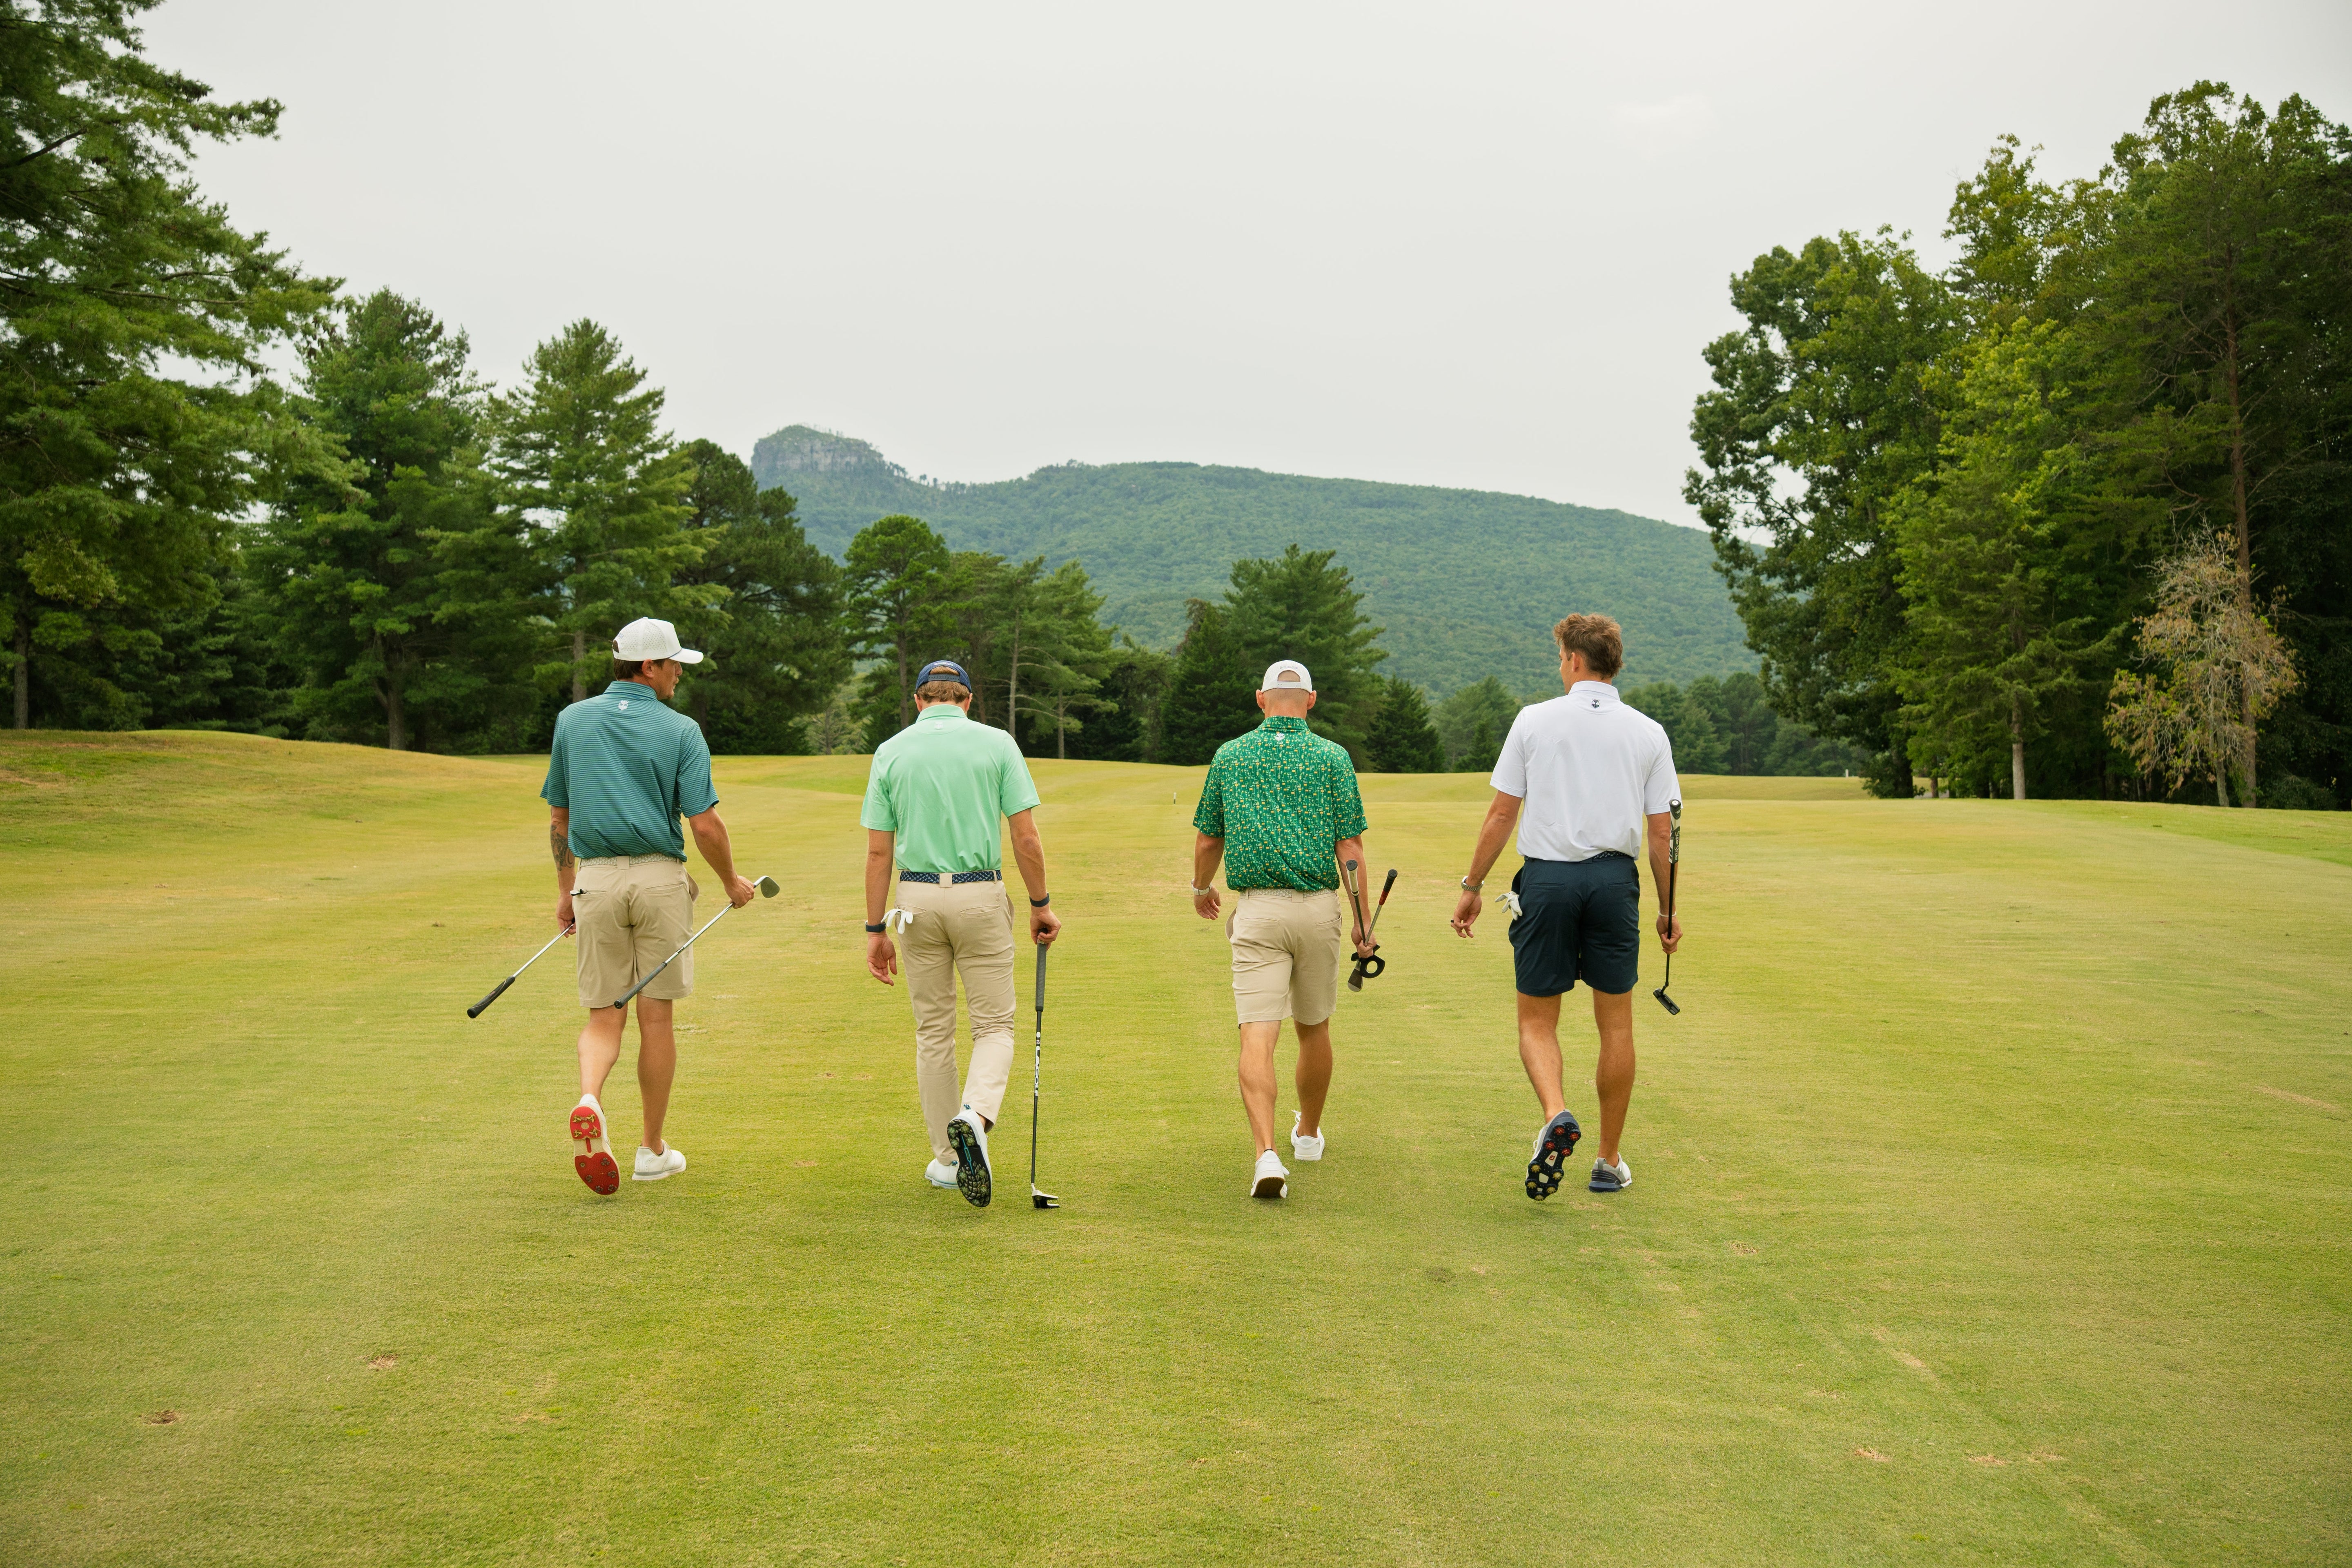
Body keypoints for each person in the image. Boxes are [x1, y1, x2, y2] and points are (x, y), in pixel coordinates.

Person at [1448, 614, 1682, 1198]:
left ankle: (1556, 1112)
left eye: (1560, 658)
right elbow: (1662, 834)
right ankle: (1607, 1160)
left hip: (1547, 881)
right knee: (1617, 1024)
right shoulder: (1649, 732)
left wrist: (1473, 883)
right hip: (1614, 882)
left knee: (1536, 1019)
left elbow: (1503, 813)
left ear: (1574, 661)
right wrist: (1668, 908)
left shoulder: (1534, 720)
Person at [543, 616, 757, 1196]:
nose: (679, 676)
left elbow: (559, 819)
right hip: (661, 881)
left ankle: (590, 1098)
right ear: (648, 668)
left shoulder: (571, 721)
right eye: (673, 666)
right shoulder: (682, 729)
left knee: (602, 1015)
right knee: (655, 1017)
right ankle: (651, 1150)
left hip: (596, 880)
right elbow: (705, 825)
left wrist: (566, 893)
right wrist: (732, 882)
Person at [861, 659, 1061, 1209]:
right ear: (968, 701)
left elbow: (879, 851)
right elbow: (1026, 839)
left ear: (920, 701)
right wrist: (1041, 904)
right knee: (995, 1024)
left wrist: (875, 927)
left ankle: (949, 1162)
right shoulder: (997, 744)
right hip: (980, 894)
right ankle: (974, 1115)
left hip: (915, 899)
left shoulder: (892, 750)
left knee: (933, 1030)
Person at [1190, 659, 1379, 1200]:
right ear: (1311, 701)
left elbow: (1208, 841)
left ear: (1261, 699)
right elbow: (1351, 850)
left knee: (1258, 1032)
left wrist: (1202, 889)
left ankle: (1266, 1152)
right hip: (1319, 910)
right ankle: (1310, 1133)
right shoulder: (1332, 758)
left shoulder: (1231, 755)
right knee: (1313, 1027)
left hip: (1257, 911)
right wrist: (1363, 924)